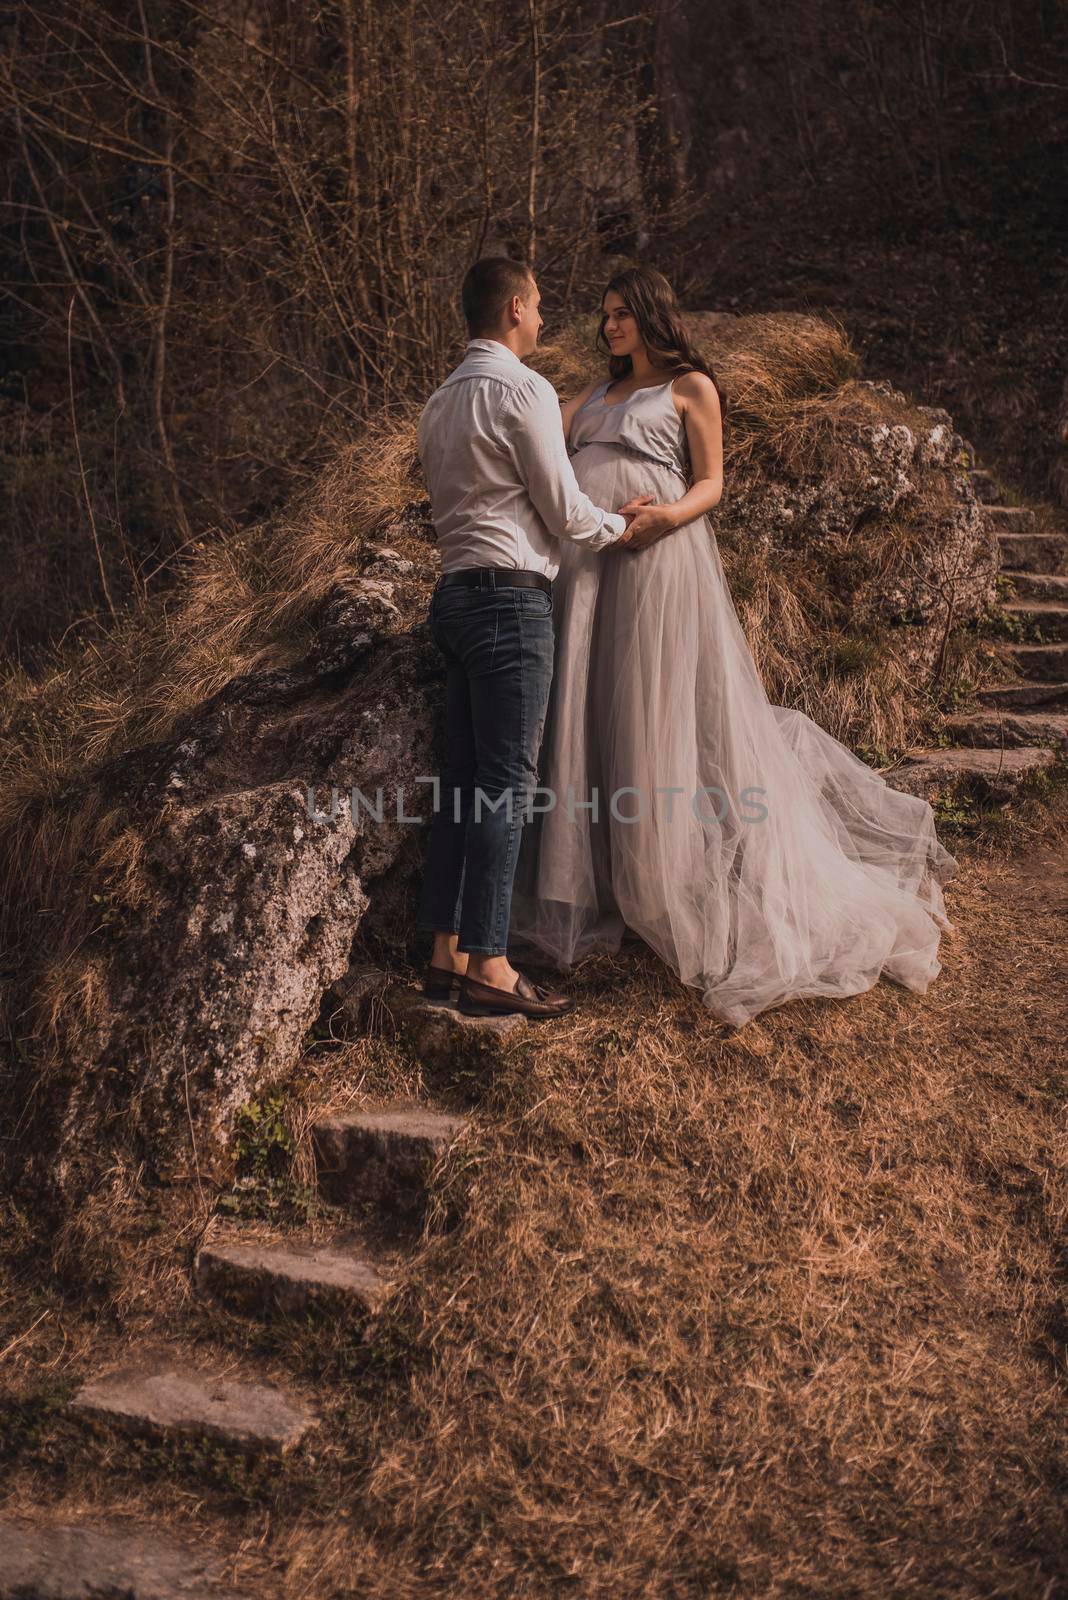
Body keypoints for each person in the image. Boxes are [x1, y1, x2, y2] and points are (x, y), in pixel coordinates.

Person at [509, 265, 957, 1027]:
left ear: (653, 316)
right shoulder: (587, 395)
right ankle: (592, 883)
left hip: (656, 559)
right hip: (586, 564)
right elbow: (533, 440)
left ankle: (661, 882)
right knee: (586, 708)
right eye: (606, 316)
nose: (610, 327)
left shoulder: (690, 388)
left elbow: (712, 483)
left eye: (623, 315)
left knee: (651, 712)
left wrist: (664, 518)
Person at [413, 257, 646, 1021]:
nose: (545, 321)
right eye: (540, 307)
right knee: (505, 788)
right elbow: (563, 508)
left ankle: (444, 954)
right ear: (514, 308)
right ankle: (490, 962)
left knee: (460, 784)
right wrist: (625, 525)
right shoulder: (523, 389)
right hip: (511, 603)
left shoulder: (439, 401)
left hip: (452, 597)